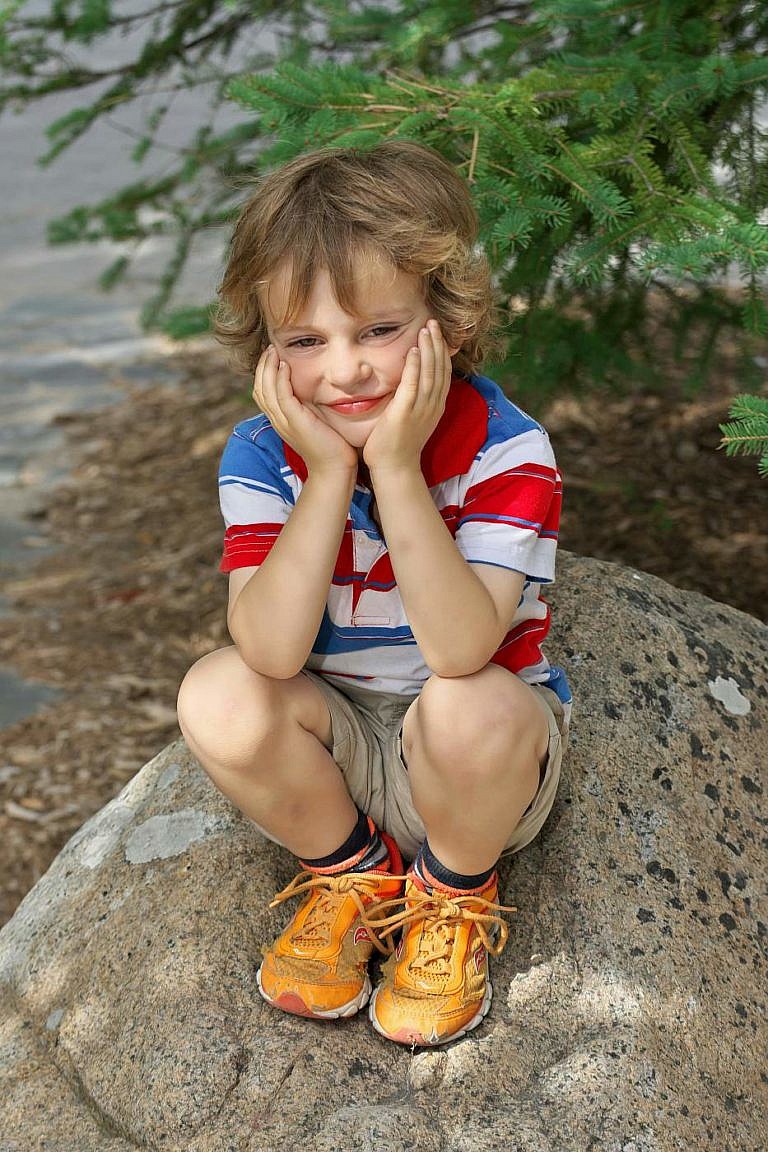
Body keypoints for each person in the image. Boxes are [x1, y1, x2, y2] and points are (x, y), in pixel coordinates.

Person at [176, 140, 572, 1048]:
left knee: (473, 704)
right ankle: (353, 872)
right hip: (339, 739)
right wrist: (324, 478)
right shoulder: (261, 455)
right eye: (305, 343)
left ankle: (453, 893)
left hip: (477, 762)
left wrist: (393, 470)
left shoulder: (508, 453)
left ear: (451, 318)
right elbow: (271, 653)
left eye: (379, 331)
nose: (345, 371)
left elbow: (461, 649)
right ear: (268, 352)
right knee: (220, 691)